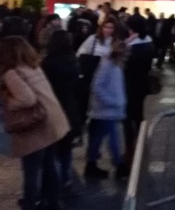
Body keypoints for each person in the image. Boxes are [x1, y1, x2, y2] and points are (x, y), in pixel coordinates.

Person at [0, 36, 70, 210]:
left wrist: (9, 103)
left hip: (36, 126)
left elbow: (28, 99)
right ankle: (53, 202)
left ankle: (30, 204)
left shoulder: (12, 73)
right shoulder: (33, 67)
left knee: (31, 170)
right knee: (49, 164)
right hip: (52, 121)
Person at [41, 30, 82, 192]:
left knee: (52, 151)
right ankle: (66, 180)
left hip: (53, 107)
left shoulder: (48, 63)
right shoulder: (74, 61)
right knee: (66, 148)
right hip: (70, 108)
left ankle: (53, 185)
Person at [85, 40, 127, 180]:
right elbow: (97, 87)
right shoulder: (108, 66)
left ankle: (91, 164)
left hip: (107, 110)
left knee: (98, 138)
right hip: (106, 110)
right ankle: (118, 165)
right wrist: (113, 102)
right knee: (113, 138)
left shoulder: (113, 65)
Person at [124, 14, 155, 167]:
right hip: (143, 83)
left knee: (128, 114)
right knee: (138, 112)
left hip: (130, 83)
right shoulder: (148, 42)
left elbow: (123, 61)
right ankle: (141, 137)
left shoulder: (132, 46)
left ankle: (130, 144)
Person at [76, 18, 118, 127]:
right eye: (106, 27)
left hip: (106, 76)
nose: (108, 30)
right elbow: (81, 53)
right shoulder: (93, 39)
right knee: (87, 98)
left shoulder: (115, 42)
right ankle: (84, 120)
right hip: (91, 73)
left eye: (111, 27)